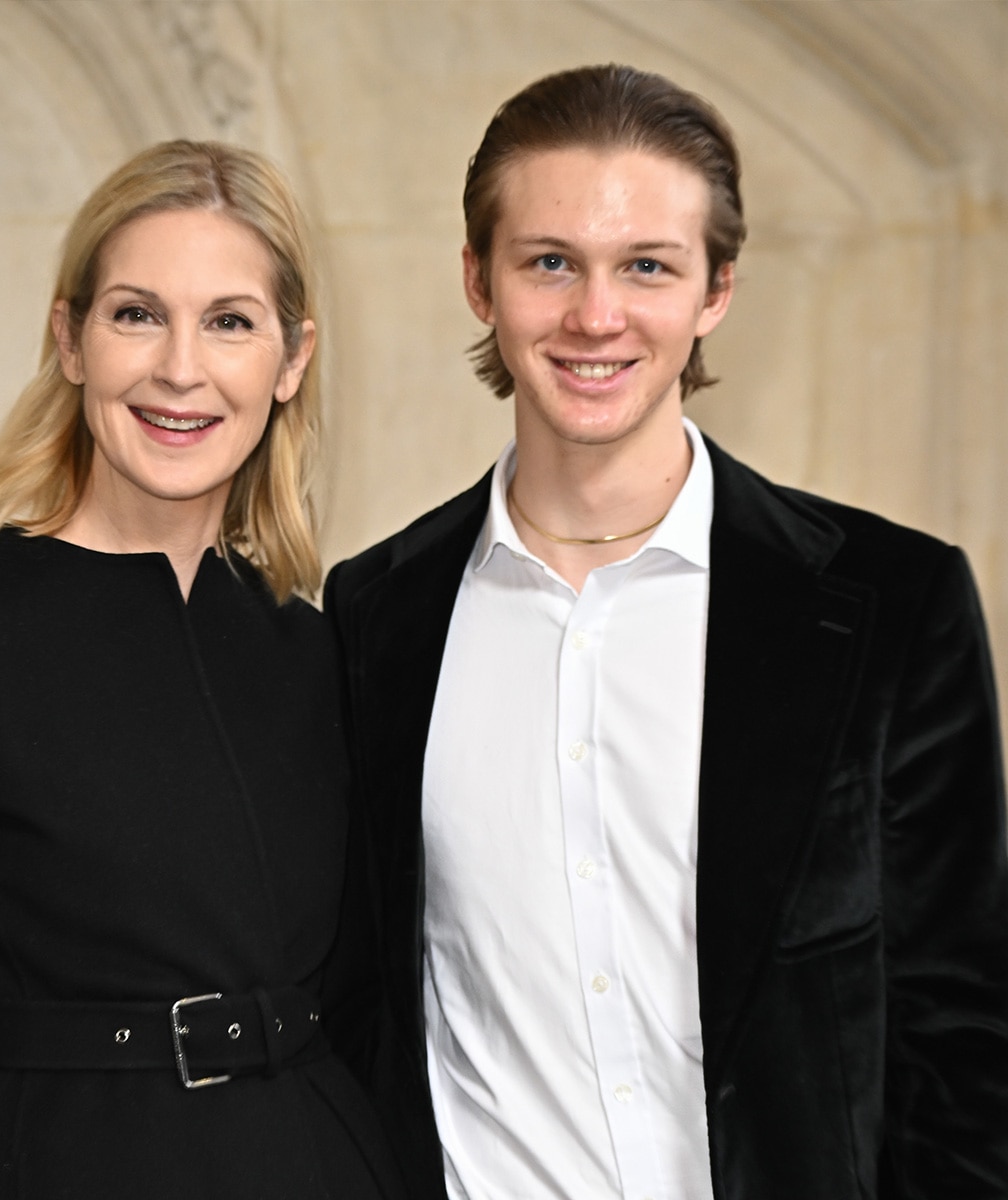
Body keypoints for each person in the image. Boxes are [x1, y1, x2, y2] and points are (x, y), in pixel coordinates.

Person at [325, 64, 1008, 1200]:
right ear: (478, 282)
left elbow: (967, 1033)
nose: (597, 316)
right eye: (550, 262)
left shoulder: (895, 604)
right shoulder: (375, 616)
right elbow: (360, 1010)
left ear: (716, 290)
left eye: (647, 265)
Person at [0, 139, 403, 1199]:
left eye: (229, 322)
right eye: (137, 314)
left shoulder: (317, 652)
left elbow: (363, 1011)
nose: (181, 368)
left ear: (291, 359)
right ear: (70, 337)